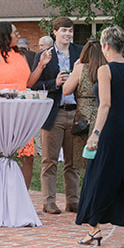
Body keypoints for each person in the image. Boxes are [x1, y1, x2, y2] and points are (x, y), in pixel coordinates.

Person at [75, 27, 124, 244]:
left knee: (98, 175)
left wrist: (95, 133)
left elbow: (105, 105)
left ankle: (94, 227)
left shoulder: (104, 71)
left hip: (111, 127)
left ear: (106, 45)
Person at [0, 21, 49, 190]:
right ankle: (3, 198)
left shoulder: (21, 55)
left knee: (27, 156)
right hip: (1, 113)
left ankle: (22, 200)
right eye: (15, 32)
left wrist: (41, 65)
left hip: (22, 112)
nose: (19, 35)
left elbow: (28, 83)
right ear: (6, 36)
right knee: (2, 157)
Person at [34, 16, 85, 215]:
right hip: (53, 114)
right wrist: (54, 83)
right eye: (63, 30)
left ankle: (73, 201)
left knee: (74, 162)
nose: (67, 34)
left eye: (70, 31)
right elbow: (34, 85)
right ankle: (49, 202)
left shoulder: (80, 53)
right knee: (49, 160)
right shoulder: (44, 56)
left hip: (75, 114)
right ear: (54, 32)